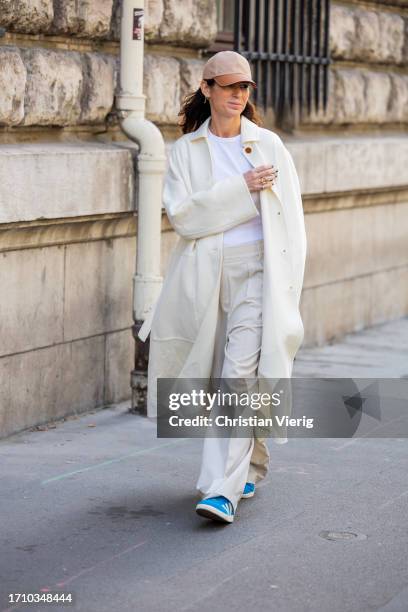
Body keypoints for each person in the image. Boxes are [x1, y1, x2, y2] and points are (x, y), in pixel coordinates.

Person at [138, 50, 307, 524]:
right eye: (228, 86)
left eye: (244, 87)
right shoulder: (186, 151)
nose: (237, 94)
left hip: (257, 273)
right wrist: (243, 187)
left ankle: (221, 491)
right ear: (207, 88)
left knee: (238, 375)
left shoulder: (269, 145)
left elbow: (291, 222)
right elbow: (185, 218)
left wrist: (288, 287)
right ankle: (251, 459)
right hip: (205, 276)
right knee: (217, 378)